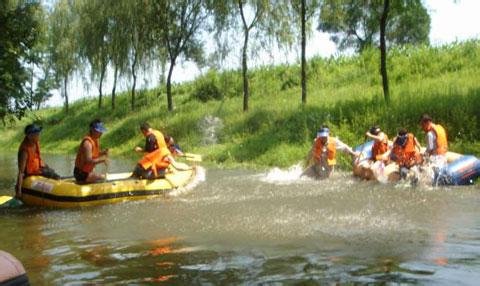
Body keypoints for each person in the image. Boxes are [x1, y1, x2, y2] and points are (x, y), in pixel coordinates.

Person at [16, 124, 60, 199]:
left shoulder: (36, 143)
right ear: (29, 136)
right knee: (54, 175)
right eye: (36, 134)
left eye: (38, 133)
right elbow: (21, 172)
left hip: (38, 169)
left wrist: (45, 166)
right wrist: (19, 190)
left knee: (52, 172)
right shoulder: (24, 151)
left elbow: (37, 158)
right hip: (30, 174)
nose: (39, 136)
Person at [419, 114, 448, 181]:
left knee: (422, 170)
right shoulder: (439, 128)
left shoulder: (430, 134)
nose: (422, 127)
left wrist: (422, 160)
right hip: (443, 157)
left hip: (436, 159)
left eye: (422, 125)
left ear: (427, 123)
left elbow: (430, 149)